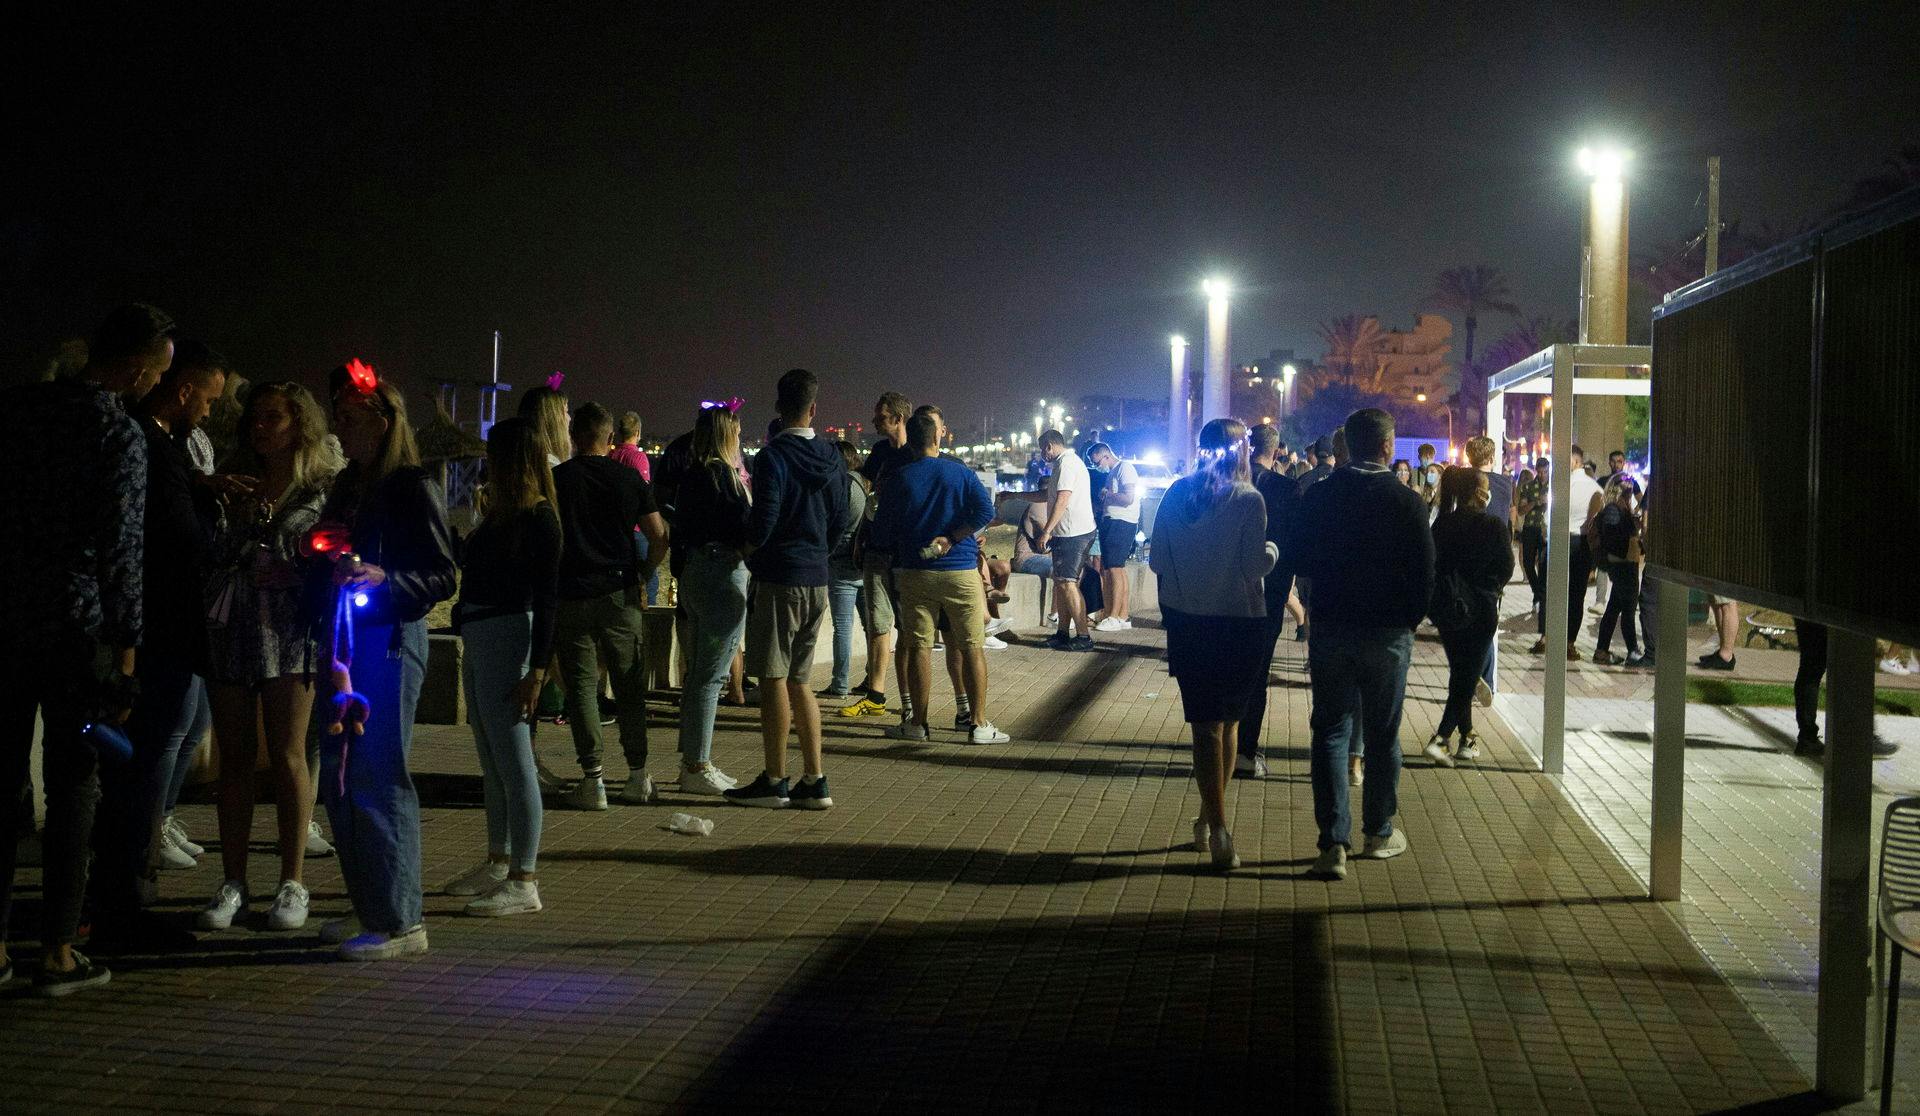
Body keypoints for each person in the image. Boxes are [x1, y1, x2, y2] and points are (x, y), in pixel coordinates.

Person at [0, 303, 170, 995]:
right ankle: (58, 951)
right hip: (74, 631)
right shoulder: (115, 432)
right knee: (74, 783)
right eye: (157, 373)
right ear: (134, 367)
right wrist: (126, 650)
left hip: (6, 616)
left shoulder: (17, 413)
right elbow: (122, 552)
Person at [312, 368, 456, 960]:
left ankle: (401, 921)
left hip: (391, 639)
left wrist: (386, 580)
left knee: (377, 773)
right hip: (345, 641)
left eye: (349, 419)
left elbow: (443, 572)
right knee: (339, 781)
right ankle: (370, 902)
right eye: (337, 418)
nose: (339, 430)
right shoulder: (349, 485)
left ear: (382, 420)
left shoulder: (410, 486)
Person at [84, 342, 223, 951]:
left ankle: (115, 898)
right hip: (156, 635)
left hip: (151, 633)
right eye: (209, 399)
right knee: (139, 772)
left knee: (142, 767)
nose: (211, 414)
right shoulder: (144, 441)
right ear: (186, 389)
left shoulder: (156, 445)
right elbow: (166, 542)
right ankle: (121, 906)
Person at [197, 379, 343, 935]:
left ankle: (293, 880)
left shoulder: (319, 486)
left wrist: (295, 565)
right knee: (233, 758)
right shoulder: (235, 481)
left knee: (286, 754)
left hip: (289, 632)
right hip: (232, 627)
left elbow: (332, 555)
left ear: (298, 424)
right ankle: (233, 880)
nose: (260, 428)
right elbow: (207, 550)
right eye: (255, 418)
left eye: (273, 418)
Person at [1296, 408, 1434, 882]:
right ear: (1387, 446)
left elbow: (1302, 559)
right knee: (1382, 734)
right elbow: (1424, 575)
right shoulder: (1407, 502)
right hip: (1388, 632)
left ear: (1347, 446)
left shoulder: (1319, 496)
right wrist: (1407, 620)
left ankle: (1333, 842)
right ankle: (1378, 831)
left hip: (1333, 625)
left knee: (1330, 731)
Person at [444, 418, 561, 917]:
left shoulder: (539, 517)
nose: (488, 462)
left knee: (515, 764)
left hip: (509, 639)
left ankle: (524, 877)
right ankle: (499, 861)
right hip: (483, 634)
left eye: (496, 454)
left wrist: (537, 670)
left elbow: (550, 601)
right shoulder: (501, 512)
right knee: (493, 761)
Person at [1152, 419, 1277, 871]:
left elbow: (1157, 560)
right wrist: (1273, 554)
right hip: (1240, 623)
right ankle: (1216, 825)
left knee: (1204, 726)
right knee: (1229, 725)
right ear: (1242, 450)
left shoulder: (1174, 495)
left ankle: (1212, 821)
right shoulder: (1248, 499)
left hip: (1188, 623)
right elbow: (1251, 567)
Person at [725, 369, 849, 810]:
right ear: (814, 409)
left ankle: (775, 779)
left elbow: (765, 518)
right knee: (800, 680)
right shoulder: (833, 457)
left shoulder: (774, 458)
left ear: (779, 408)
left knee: (773, 677)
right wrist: (821, 551)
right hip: (817, 577)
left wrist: (748, 551)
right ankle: (814, 779)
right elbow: (841, 517)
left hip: (781, 577)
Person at [550, 403, 669, 809]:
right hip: (620, 592)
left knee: (582, 687)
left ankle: (593, 778)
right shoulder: (628, 478)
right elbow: (658, 535)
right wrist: (641, 572)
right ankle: (637, 775)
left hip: (573, 593)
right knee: (630, 684)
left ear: (575, 437)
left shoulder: (558, 479)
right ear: (608, 439)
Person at [874, 412, 1007, 744]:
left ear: (912, 439)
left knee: (919, 646)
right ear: (937, 438)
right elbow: (986, 512)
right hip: (961, 572)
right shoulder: (960, 473)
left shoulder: (900, 478)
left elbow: (882, 530)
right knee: (972, 646)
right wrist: (953, 536)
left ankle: (918, 722)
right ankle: (978, 724)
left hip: (915, 571)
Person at [671, 402, 752, 795]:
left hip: (695, 572)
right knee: (710, 676)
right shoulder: (724, 478)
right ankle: (696, 764)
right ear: (726, 435)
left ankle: (691, 760)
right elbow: (743, 529)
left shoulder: (692, 476)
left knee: (697, 674)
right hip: (723, 575)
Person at [1425, 467, 1513, 766]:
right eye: (1486, 485)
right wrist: (1490, 586)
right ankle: (1441, 737)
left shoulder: (1442, 525)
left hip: (1449, 608)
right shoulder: (1493, 526)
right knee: (1465, 677)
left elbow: (1433, 564)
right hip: (1482, 608)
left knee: (1461, 673)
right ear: (1478, 492)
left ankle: (1468, 736)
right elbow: (1506, 568)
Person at [840, 391, 913, 720]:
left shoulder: (916, 455)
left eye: (880, 417)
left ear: (898, 419)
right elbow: (866, 489)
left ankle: (912, 701)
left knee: (909, 628)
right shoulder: (880, 452)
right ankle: (876, 695)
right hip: (876, 549)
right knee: (877, 625)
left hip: (905, 554)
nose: (874, 422)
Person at [1235, 424, 1300, 780]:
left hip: (1225, 591)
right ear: (1276, 452)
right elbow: (1293, 545)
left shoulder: (1229, 485)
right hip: (1269, 593)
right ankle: (1245, 750)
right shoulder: (1288, 489)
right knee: (1257, 673)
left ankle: (1220, 744)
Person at [1793, 619, 1900, 757]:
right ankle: (1863, 737)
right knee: (1855, 667)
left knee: (1810, 669)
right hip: (1835, 610)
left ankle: (1807, 739)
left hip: (1808, 608)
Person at [1032, 429, 1098, 651]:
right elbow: (1048, 496)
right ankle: (1062, 633)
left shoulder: (1067, 464)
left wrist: (1047, 531)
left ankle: (1083, 636)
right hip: (1067, 533)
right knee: (1062, 583)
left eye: (1042, 449)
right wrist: (1013, 496)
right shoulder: (1063, 464)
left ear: (1049, 446)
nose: (1042, 454)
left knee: (1068, 583)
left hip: (1074, 533)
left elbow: (1063, 498)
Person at [1466, 435, 1513, 703]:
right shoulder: (1505, 484)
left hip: (1467, 558)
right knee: (1487, 621)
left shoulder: (1461, 481)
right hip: (1494, 560)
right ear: (1493, 457)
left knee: (1469, 625)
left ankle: (1476, 677)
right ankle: (1487, 680)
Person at [822, 440, 868, 700]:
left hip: (841, 564)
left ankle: (839, 683)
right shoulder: (864, 483)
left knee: (842, 628)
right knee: (870, 627)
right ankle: (873, 677)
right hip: (862, 564)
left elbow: (836, 525)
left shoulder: (843, 484)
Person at [1589, 480, 1644, 667]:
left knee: (1614, 608)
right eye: (1627, 493)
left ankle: (1602, 651)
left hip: (1624, 563)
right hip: (1622, 564)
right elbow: (1613, 537)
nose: (1630, 497)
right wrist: (1632, 536)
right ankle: (1632, 651)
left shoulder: (1619, 508)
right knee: (1628, 608)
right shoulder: (1613, 509)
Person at [609, 410, 659, 605]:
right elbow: (643, 497)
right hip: (636, 530)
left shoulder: (611, 454)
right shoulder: (638, 458)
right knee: (650, 579)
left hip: (615, 529)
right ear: (637, 432)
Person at [1559, 445, 1604, 660]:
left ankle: (1553, 637)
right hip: (1583, 544)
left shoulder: (1562, 485)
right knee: (1577, 596)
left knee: (1558, 591)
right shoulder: (1596, 488)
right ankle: (1570, 643)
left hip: (1562, 541)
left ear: (1575, 461)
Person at [1089, 443, 1140, 632]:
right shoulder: (1114, 472)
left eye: (1096, 462)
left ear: (1105, 456)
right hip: (1114, 521)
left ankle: (1113, 616)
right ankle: (1122, 615)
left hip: (1120, 522)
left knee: (1113, 569)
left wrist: (1108, 495)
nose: (1096, 467)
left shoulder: (1124, 468)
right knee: (1117, 568)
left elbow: (1128, 498)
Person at [1517, 457, 1549, 649]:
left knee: (1543, 564)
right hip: (1530, 527)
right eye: (1540, 471)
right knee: (1528, 563)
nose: (1543, 474)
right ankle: (1538, 593)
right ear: (1536, 470)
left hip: (1545, 529)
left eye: (1545, 471)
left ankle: (1540, 596)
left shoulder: (1554, 486)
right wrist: (1536, 502)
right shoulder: (1529, 487)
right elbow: (1521, 510)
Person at [519, 384, 571, 468]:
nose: (569, 418)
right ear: (552, 419)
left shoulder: (521, 459)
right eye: (565, 411)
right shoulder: (552, 468)